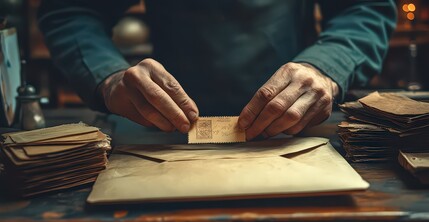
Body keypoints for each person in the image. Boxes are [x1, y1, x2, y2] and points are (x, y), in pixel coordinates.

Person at [38, 0, 397, 140]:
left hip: (295, 132)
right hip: (164, 134)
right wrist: (108, 75)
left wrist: (325, 68)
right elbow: (70, 9)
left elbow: (365, 8)